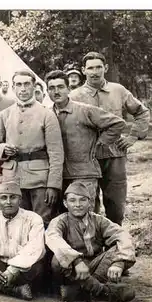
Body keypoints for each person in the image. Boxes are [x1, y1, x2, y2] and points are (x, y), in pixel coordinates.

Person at [70, 51, 150, 225]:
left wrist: (133, 135)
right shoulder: (74, 96)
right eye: (90, 68)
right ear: (83, 70)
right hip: (87, 157)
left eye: (99, 67)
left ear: (105, 68)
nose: (95, 71)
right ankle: (91, 242)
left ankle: (115, 241)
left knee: (116, 202)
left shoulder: (118, 90)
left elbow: (142, 112)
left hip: (115, 154)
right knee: (87, 200)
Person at [0, 69, 64, 226]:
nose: (22, 88)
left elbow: (56, 153)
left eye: (26, 84)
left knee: (42, 221)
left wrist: (53, 185)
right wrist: (3, 148)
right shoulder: (5, 114)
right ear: (13, 87)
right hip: (13, 177)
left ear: (34, 86)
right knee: (18, 221)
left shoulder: (47, 114)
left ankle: (44, 251)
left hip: (40, 179)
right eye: (18, 84)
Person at [45, 70, 126, 210]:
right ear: (47, 91)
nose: (56, 92)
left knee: (86, 217)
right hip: (58, 176)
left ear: (68, 89)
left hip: (84, 174)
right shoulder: (46, 114)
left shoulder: (84, 111)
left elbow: (117, 123)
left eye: (60, 87)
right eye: (51, 88)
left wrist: (101, 143)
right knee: (63, 218)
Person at [45, 182, 136, 302]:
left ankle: (81, 290)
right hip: (72, 271)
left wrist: (118, 263)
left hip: (96, 267)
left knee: (117, 248)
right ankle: (103, 291)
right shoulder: (59, 221)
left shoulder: (98, 220)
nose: (77, 205)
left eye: (82, 200)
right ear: (65, 204)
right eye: (72, 200)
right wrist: (76, 261)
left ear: (90, 202)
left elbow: (123, 236)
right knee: (58, 258)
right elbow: (54, 238)